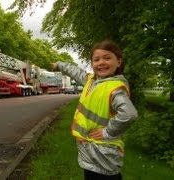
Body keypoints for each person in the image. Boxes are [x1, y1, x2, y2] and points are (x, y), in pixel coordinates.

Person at [52, 40, 138, 180]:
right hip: (88, 150)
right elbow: (75, 71)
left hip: (103, 154)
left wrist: (107, 132)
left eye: (107, 58)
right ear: (92, 64)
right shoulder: (91, 81)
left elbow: (129, 114)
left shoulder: (115, 89)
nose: (101, 62)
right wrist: (59, 65)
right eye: (96, 59)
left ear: (119, 62)